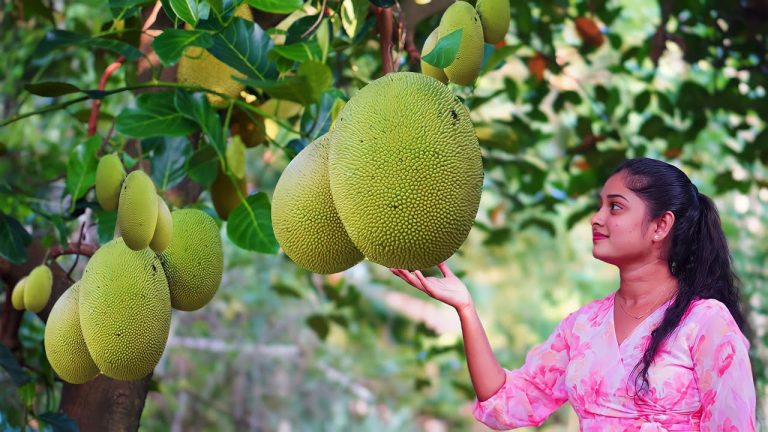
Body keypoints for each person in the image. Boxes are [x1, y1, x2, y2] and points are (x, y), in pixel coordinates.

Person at [390, 158, 757, 431]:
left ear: (661, 225)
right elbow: (506, 404)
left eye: (615, 206)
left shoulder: (707, 323)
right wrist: (465, 308)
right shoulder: (584, 326)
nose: (596, 218)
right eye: (600, 206)